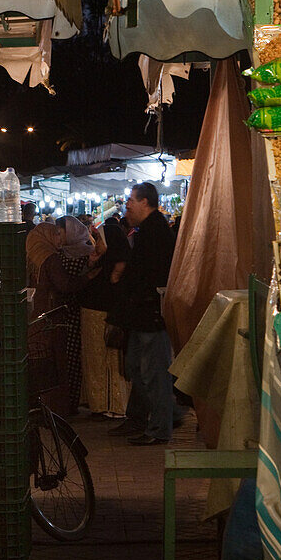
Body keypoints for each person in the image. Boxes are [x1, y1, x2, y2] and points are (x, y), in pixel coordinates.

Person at [106, 182, 179, 445]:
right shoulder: (147, 230)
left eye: (130, 202)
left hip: (151, 315)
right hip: (141, 314)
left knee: (154, 372)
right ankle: (143, 417)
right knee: (137, 367)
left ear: (145, 203)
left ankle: (161, 427)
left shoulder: (156, 232)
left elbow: (149, 275)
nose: (126, 208)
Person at [26, 218, 103, 417]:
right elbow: (65, 285)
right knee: (60, 363)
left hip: (43, 314)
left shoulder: (38, 254)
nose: (58, 238)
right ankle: (61, 408)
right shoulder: (51, 258)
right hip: (54, 315)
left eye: (59, 233)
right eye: (55, 234)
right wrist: (88, 277)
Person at [79, 215, 132, 418]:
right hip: (98, 315)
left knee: (105, 360)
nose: (96, 243)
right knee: (98, 360)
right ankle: (101, 403)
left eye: (100, 240)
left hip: (102, 316)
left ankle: (109, 404)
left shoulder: (115, 269)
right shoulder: (103, 264)